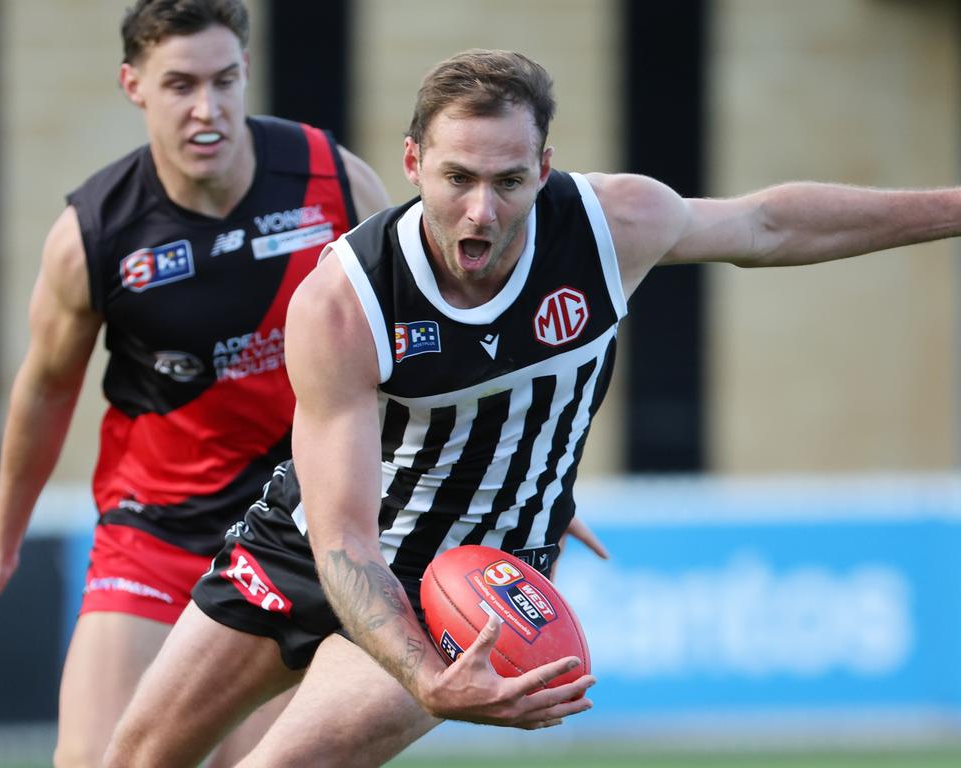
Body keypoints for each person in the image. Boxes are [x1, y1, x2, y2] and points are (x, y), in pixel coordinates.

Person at [104, 47, 961, 767]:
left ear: (545, 167)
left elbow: (770, 226)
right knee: (135, 756)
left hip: (465, 580)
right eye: (457, 178)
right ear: (412, 164)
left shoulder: (608, 225)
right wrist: (423, 677)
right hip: (323, 539)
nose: (483, 210)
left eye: (511, 180)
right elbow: (342, 539)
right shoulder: (344, 301)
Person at [0, 2, 392, 766]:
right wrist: (2, 545)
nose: (207, 109)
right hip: (153, 531)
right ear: (134, 85)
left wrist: (494, 457)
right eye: (180, 84)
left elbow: (413, 337)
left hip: (295, 526)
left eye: (225, 80)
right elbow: (45, 390)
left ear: (247, 74)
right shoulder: (96, 234)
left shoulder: (335, 181)